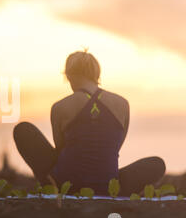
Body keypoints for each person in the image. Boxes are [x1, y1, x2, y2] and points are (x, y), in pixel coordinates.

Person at [13, 50, 165, 196]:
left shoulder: (60, 106)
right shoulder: (123, 104)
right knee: (157, 164)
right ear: (96, 74)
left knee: (23, 130)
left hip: (66, 185)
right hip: (108, 186)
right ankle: (109, 187)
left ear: (69, 75)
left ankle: (52, 185)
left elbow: (61, 149)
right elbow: (114, 148)